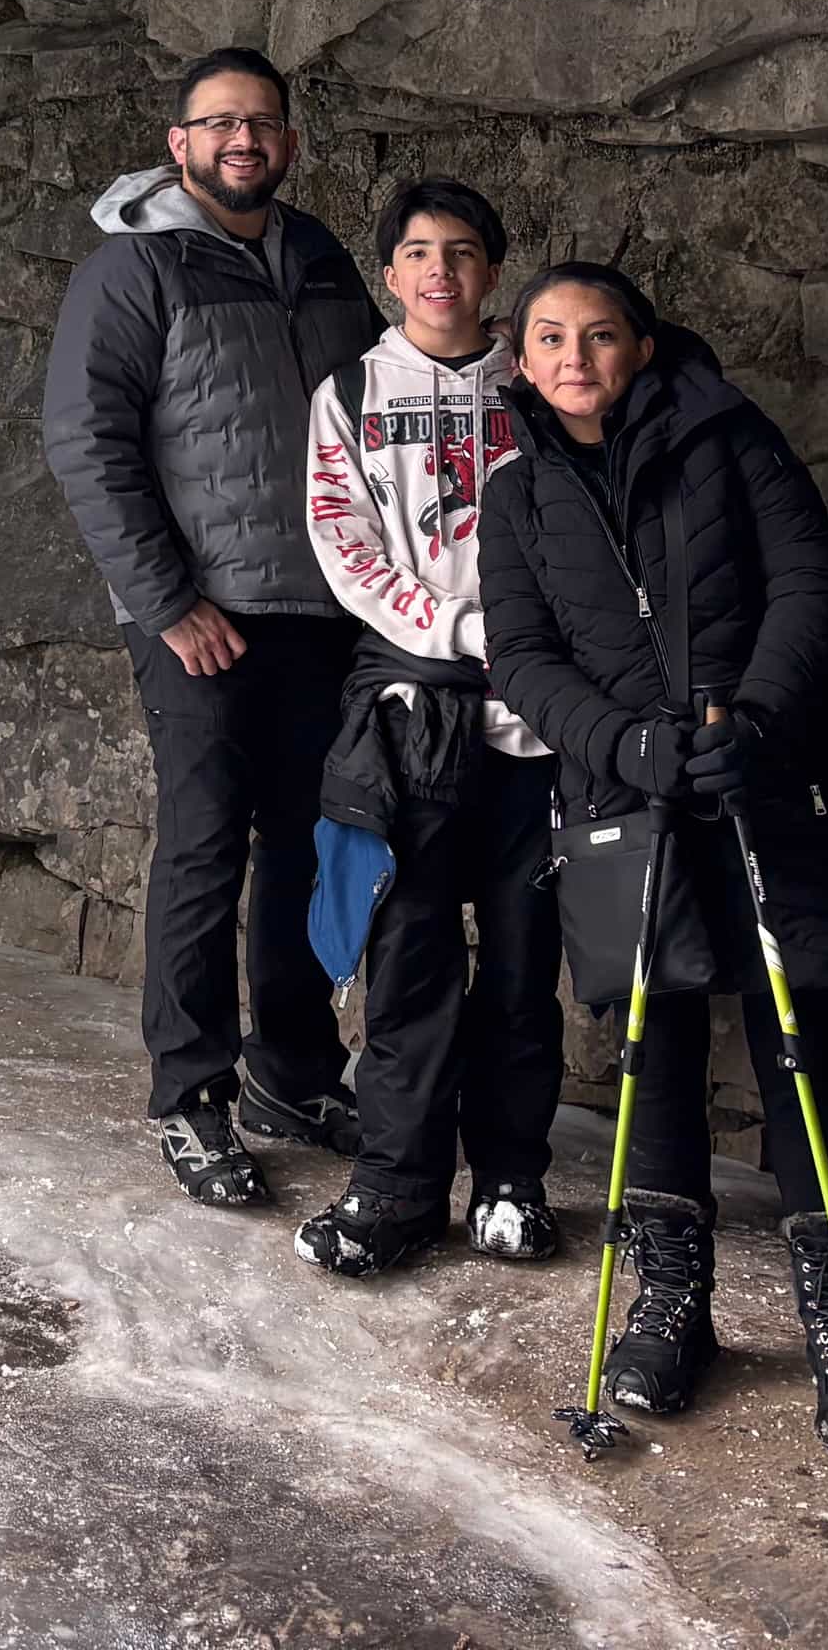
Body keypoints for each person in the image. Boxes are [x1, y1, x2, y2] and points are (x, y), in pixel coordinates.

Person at [476, 262, 828, 1453]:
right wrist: (626, 744)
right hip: (628, 797)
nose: (574, 357)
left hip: (768, 778)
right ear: (522, 358)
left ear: (641, 345)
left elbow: (809, 582)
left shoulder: (731, 439)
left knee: (800, 1054)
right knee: (656, 1045)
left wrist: (755, 721)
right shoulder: (517, 494)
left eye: (597, 335)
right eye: (549, 338)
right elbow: (525, 657)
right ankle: (671, 1304)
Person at [42, 47, 380, 1207]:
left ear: (288, 143)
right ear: (178, 143)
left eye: (265, 123)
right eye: (220, 123)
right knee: (202, 846)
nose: (246, 140)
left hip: (324, 610)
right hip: (202, 616)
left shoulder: (324, 260)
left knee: (305, 849)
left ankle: (292, 1075)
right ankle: (191, 1095)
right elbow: (87, 441)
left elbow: (376, 417)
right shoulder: (134, 270)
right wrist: (167, 601)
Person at [290, 177, 560, 1278]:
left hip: (539, 724)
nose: (438, 269)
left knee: (521, 965)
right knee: (407, 964)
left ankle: (510, 1182)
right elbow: (342, 541)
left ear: (492, 269)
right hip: (407, 716)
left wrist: (535, 649)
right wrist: (455, 626)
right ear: (389, 274)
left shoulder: (543, 384)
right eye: (415, 252)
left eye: (460, 250)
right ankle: (398, 1190)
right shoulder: (348, 393)